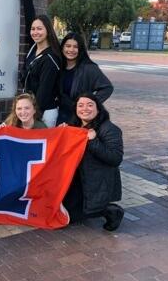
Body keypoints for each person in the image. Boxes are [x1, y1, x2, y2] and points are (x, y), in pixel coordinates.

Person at [63, 93, 124, 231]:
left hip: (97, 180)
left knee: (75, 215)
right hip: (78, 178)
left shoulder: (109, 129)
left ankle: (111, 211)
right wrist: (62, 133)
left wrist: (93, 141)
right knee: (66, 215)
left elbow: (115, 158)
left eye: (90, 105)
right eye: (80, 105)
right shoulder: (74, 126)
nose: (85, 109)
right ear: (76, 109)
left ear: (98, 108)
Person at [18, 0, 62, 127]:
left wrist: (31, 116)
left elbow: (43, 94)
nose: (35, 32)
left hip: (43, 113)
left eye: (39, 29)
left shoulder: (50, 58)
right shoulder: (33, 48)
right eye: (33, 29)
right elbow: (30, 17)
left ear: (48, 31)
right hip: (31, 109)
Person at [57, 32, 113, 124]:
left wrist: (90, 104)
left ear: (81, 49)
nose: (71, 50)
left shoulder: (89, 68)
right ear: (62, 47)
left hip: (80, 119)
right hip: (61, 115)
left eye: (76, 47)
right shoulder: (59, 66)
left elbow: (107, 88)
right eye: (68, 46)